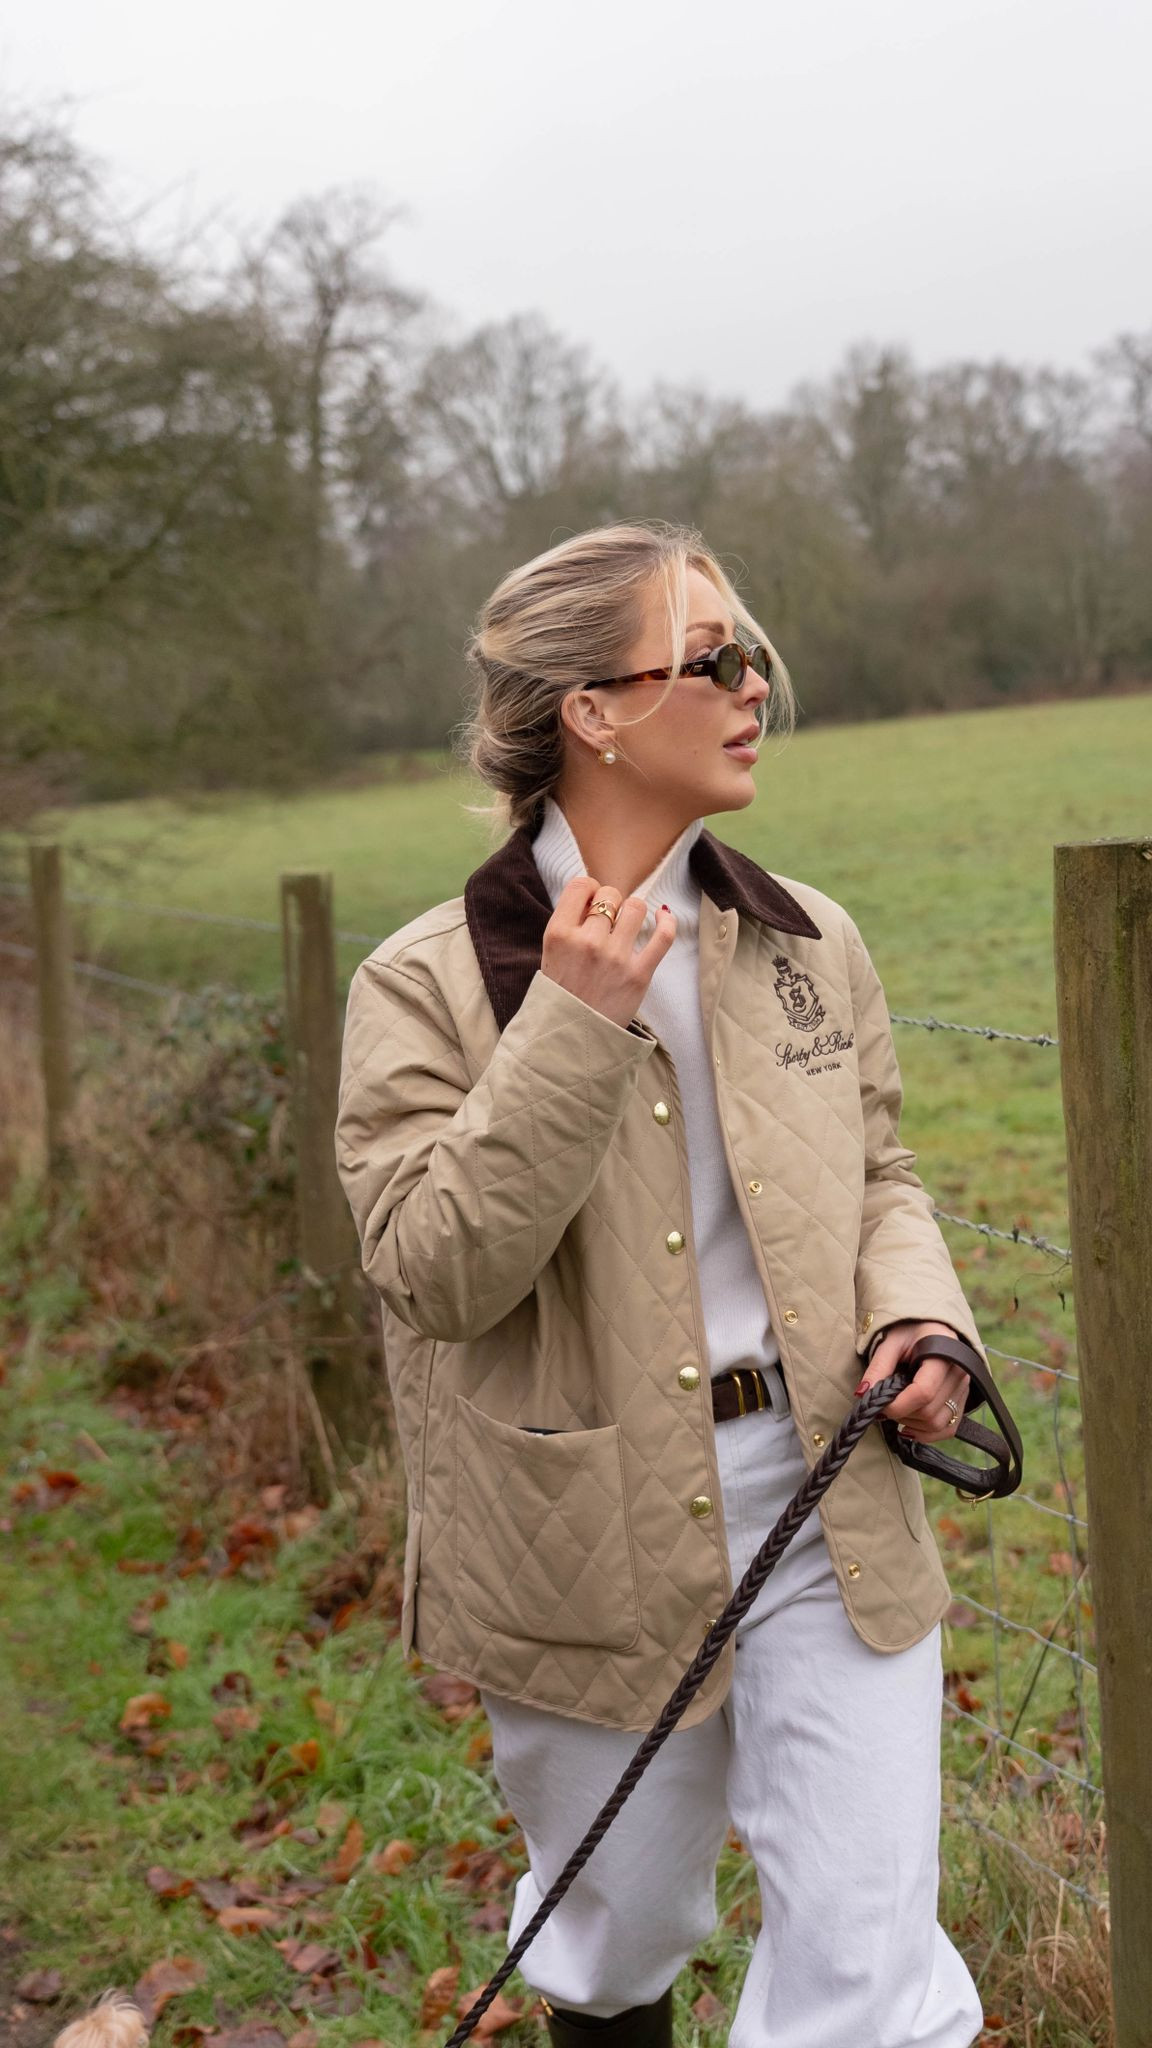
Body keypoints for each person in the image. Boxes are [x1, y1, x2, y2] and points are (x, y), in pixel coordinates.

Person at [334, 521, 988, 2048]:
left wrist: (922, 1312)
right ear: (596, 710)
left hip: (835, 1496)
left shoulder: (811, 940)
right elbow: (433, 1270)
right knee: (613, 1935)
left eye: (749, 654)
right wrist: (568, 1023)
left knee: (866, 1965)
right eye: (714, 659)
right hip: (583, 1527)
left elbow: (883, 1173)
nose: (756, 684)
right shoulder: (426, 982)